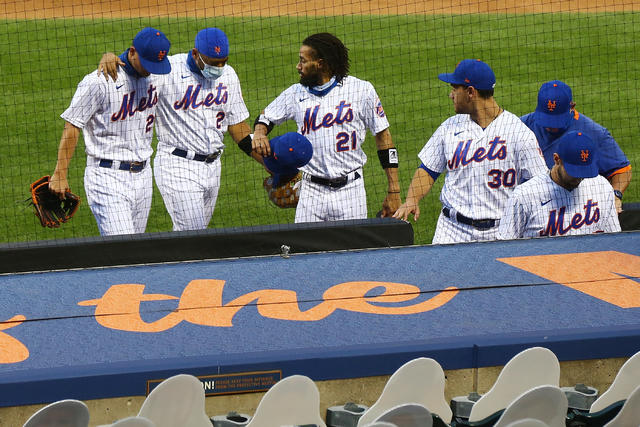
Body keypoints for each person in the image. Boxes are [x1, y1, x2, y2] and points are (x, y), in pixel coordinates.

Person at [98, 28, 268, 231]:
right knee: (194, 234)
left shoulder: (229, 76)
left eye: (223, 61)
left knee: (191, 239)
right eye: (213, 63)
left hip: (213, 167)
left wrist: (269, 164)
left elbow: (238, 126)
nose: (219, 67)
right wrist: (113, 58)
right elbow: (136, 71)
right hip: (177, 166)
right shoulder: (168, 72)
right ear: (195, 54)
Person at [393, 59, 548, 244]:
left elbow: (540, 184)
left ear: (470, 92)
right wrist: (412, 199)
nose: (451, 95)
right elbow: (427, 170)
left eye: (454, 89)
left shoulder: (519, 133)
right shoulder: (449, 127)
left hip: (501, 233)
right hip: (451, 230)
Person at [252, 32, 401, 223]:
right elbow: (266, 117)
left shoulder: (361, 90)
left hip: (351, 192)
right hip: (311, 191)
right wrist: (259, 131)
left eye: (303, 61)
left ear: (320, 64)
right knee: (305, 252)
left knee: (354, 252)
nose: (298, 67)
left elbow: (383, 138)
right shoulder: (295, 94)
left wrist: (393, 190)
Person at [50, 27, 171, 236]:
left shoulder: (158, 74)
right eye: (148, 63)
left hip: (143, 176)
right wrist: (60, 173)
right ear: (132, 52)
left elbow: (196, 60)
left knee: (134, 250)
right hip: (107, 177)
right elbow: (72, 125)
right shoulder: (99, 81)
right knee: (125, 251)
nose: (151, 70)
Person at [521, 80, 631, 213]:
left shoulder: (594, 133)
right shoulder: (520, 127)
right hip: (530, 209)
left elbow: (621, 169)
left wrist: (615, 195)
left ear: (572, 107)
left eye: (557, 120)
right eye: (547, 119)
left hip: (576, 211)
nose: (551, 126)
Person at [498, 131, 621, 239]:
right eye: (574, 171)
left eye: (585, 171)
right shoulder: (524, 196)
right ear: (557, 159)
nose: (579, 177)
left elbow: (614, 239)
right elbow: (503, 246)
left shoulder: (602, 187)